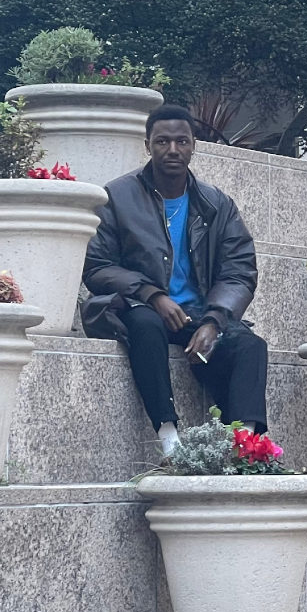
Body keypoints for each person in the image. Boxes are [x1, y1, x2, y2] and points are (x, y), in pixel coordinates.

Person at [82, 104, 268, 455]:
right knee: (146, 326)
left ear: (193, 145)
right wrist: (152, 294)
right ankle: (170, 440)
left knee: (249, 345)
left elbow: (239, 269)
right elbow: (96, 266)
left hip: (196, 313)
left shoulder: (216, 203)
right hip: (139, 306)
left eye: (181, 141)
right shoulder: (117, 197)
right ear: (147, 144)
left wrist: (214, 320)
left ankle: (245, 446)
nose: (172, 150)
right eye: (162, 141)